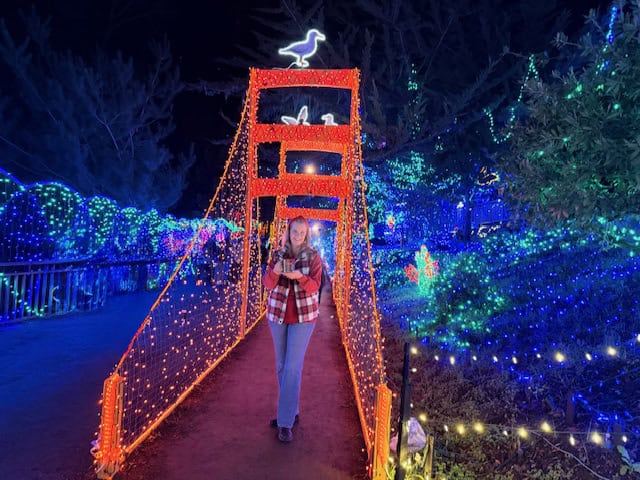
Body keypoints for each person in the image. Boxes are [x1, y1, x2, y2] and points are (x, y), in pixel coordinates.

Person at [263, 216, 323, 443]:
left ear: (306, 235)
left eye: (301, 232)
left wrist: (300, 277)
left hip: (304, 318)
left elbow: (316, 286)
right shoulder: (277, 255)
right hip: (277, 315)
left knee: (292, 367)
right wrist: (276, 271)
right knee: (281, 366)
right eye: (294, 231)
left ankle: (285, 422)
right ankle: (291, 409)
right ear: (288, 232)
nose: (297, 236)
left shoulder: (313, 257)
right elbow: (267, 284)